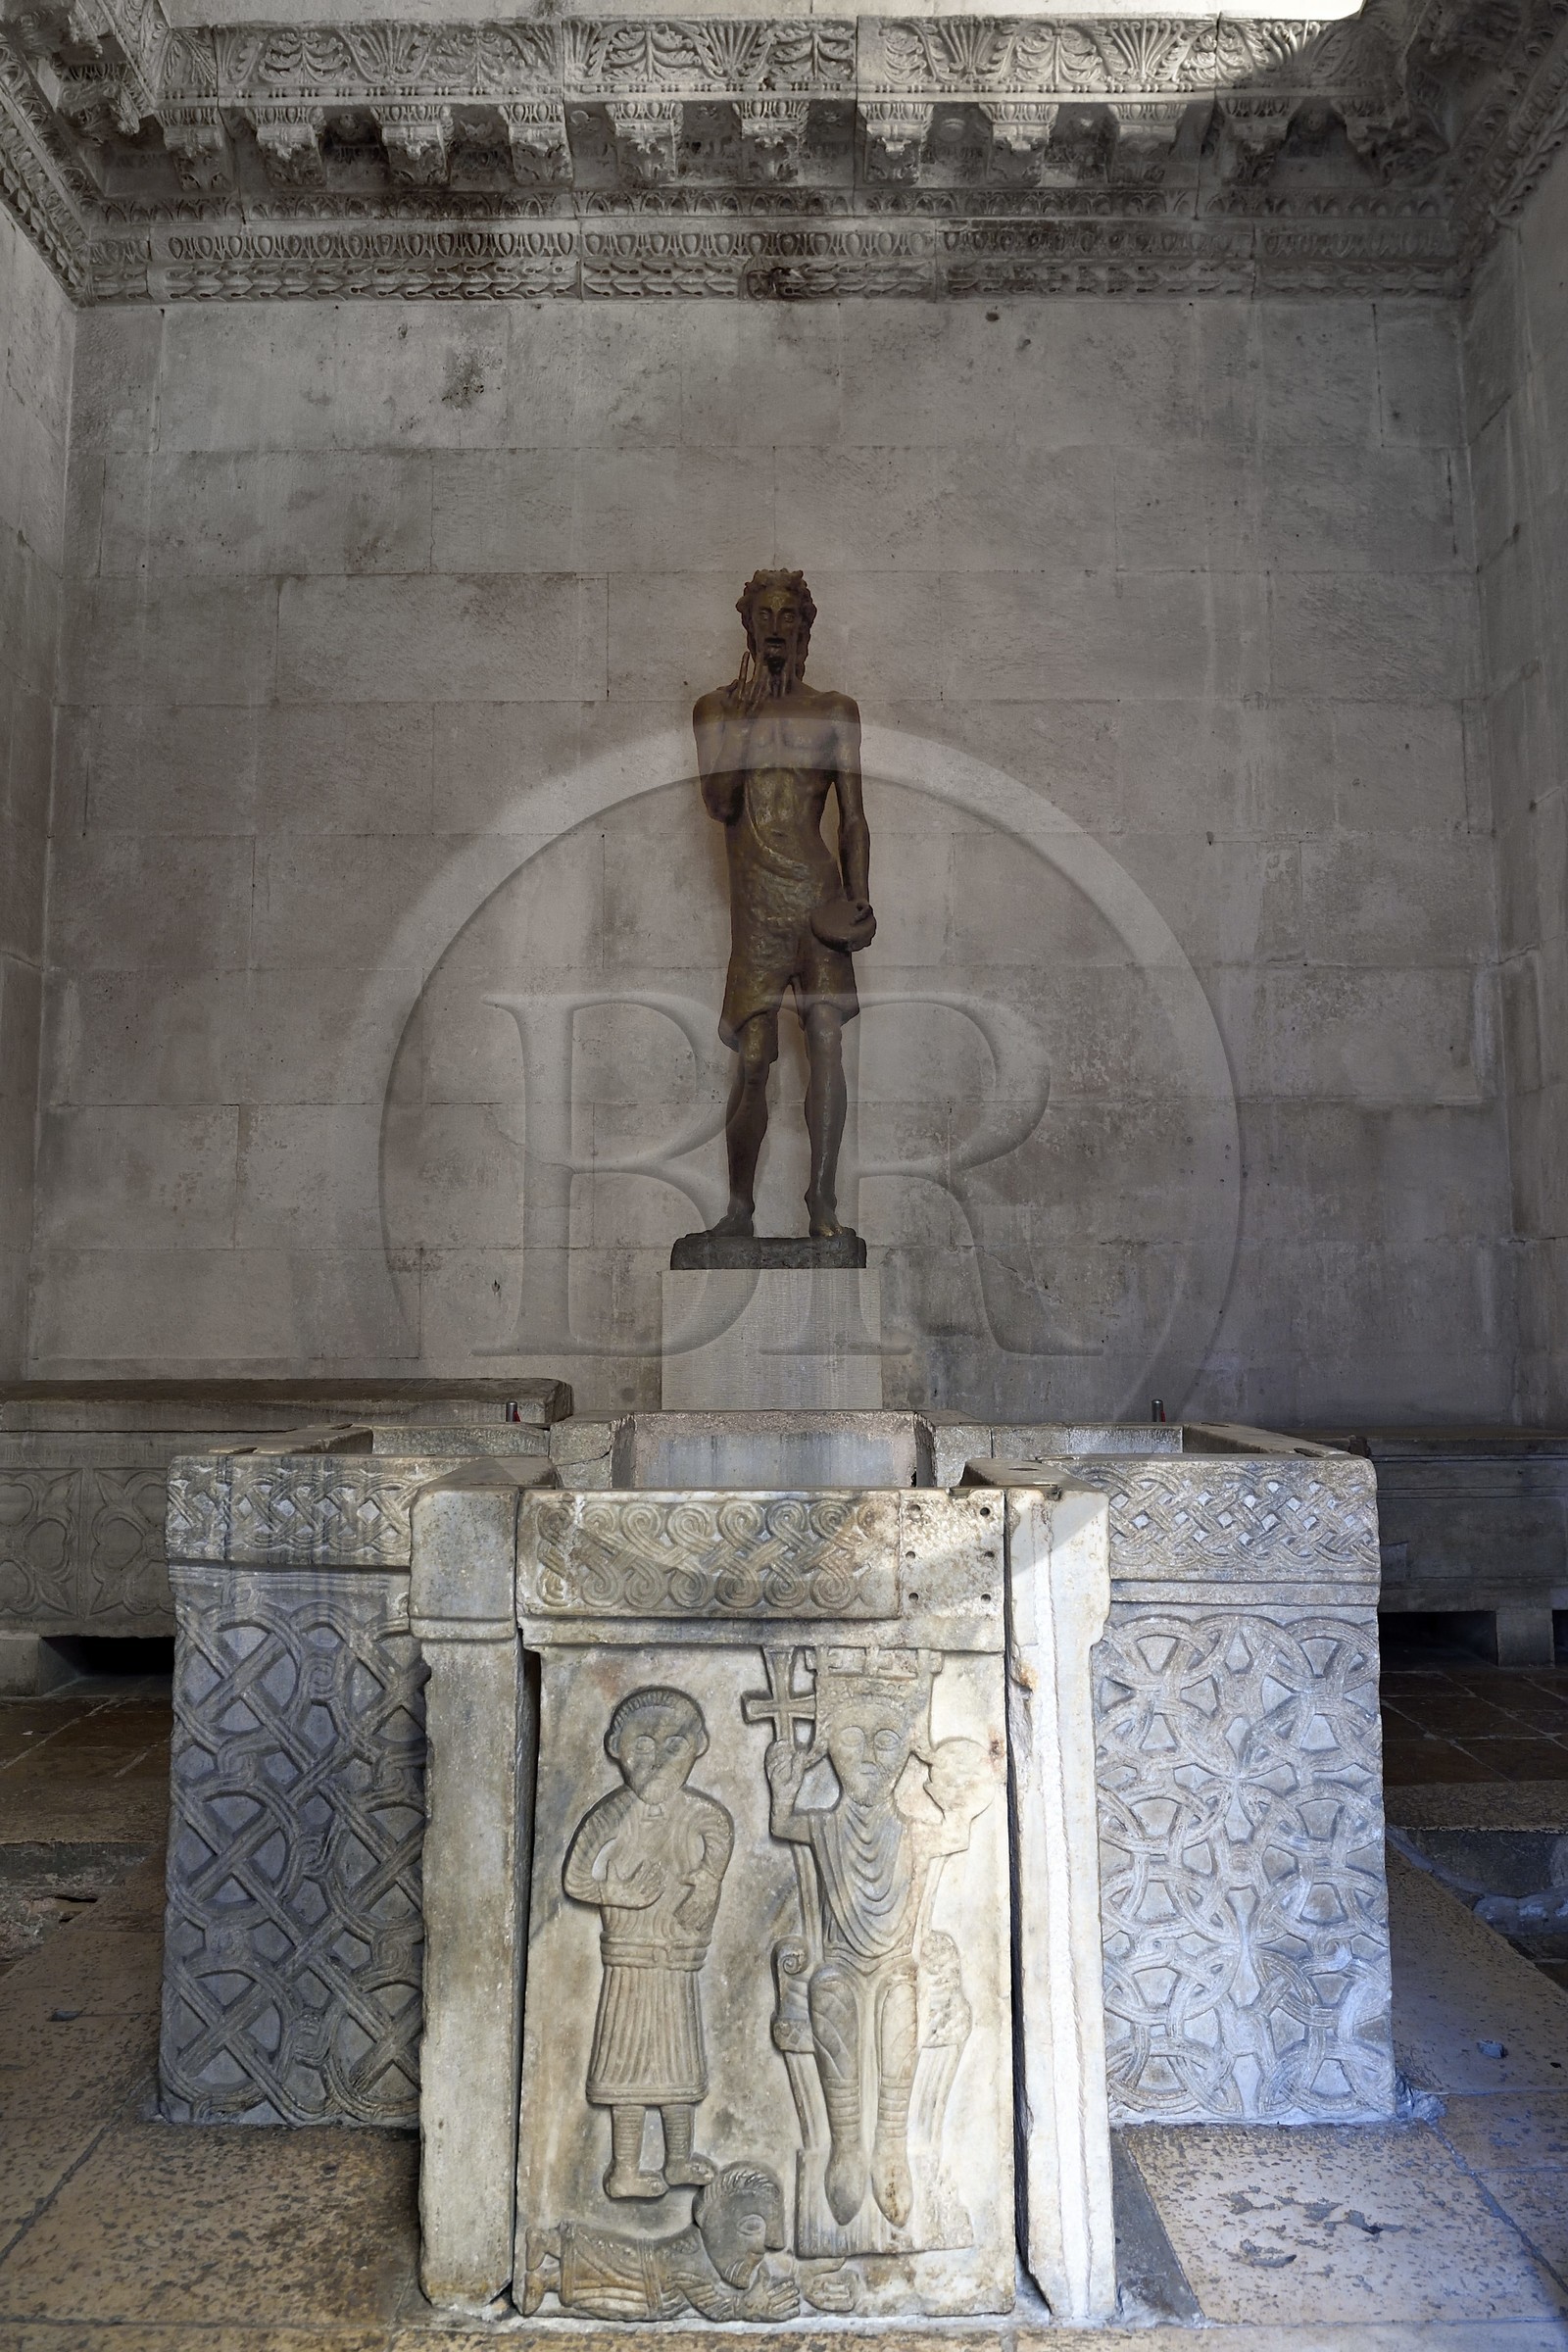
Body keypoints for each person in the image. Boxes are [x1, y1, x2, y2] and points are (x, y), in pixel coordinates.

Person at [692, 569, 874, 1242]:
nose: (776, 625)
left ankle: (821, 1203)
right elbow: (721, 805)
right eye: (764, 614)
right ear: (748, 625)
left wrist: (860, 898)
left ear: (804, 625)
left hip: (819, 901)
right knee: (753, 1059)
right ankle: (739, 1207)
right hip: (759, 908)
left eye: (788, 614)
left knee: (826, 1042)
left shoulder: (834, 710)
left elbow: (853, 818)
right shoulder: (717, 708)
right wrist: (739, 731)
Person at [564, 1686, 735, 2200]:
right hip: (630, 1966)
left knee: (679, 2066)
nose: (656, 1762)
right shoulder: (612, 1814)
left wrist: (708, 1883)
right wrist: (614, 1892)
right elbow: (574, 1879)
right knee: (627, 2069)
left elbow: (718, 1845)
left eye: (672, 1749)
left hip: (676, 1961)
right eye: (641, 1747)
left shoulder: (703, 1815)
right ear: (616, 1747)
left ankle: (679, 2160)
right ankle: (624, 2170)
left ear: (697, 1747)